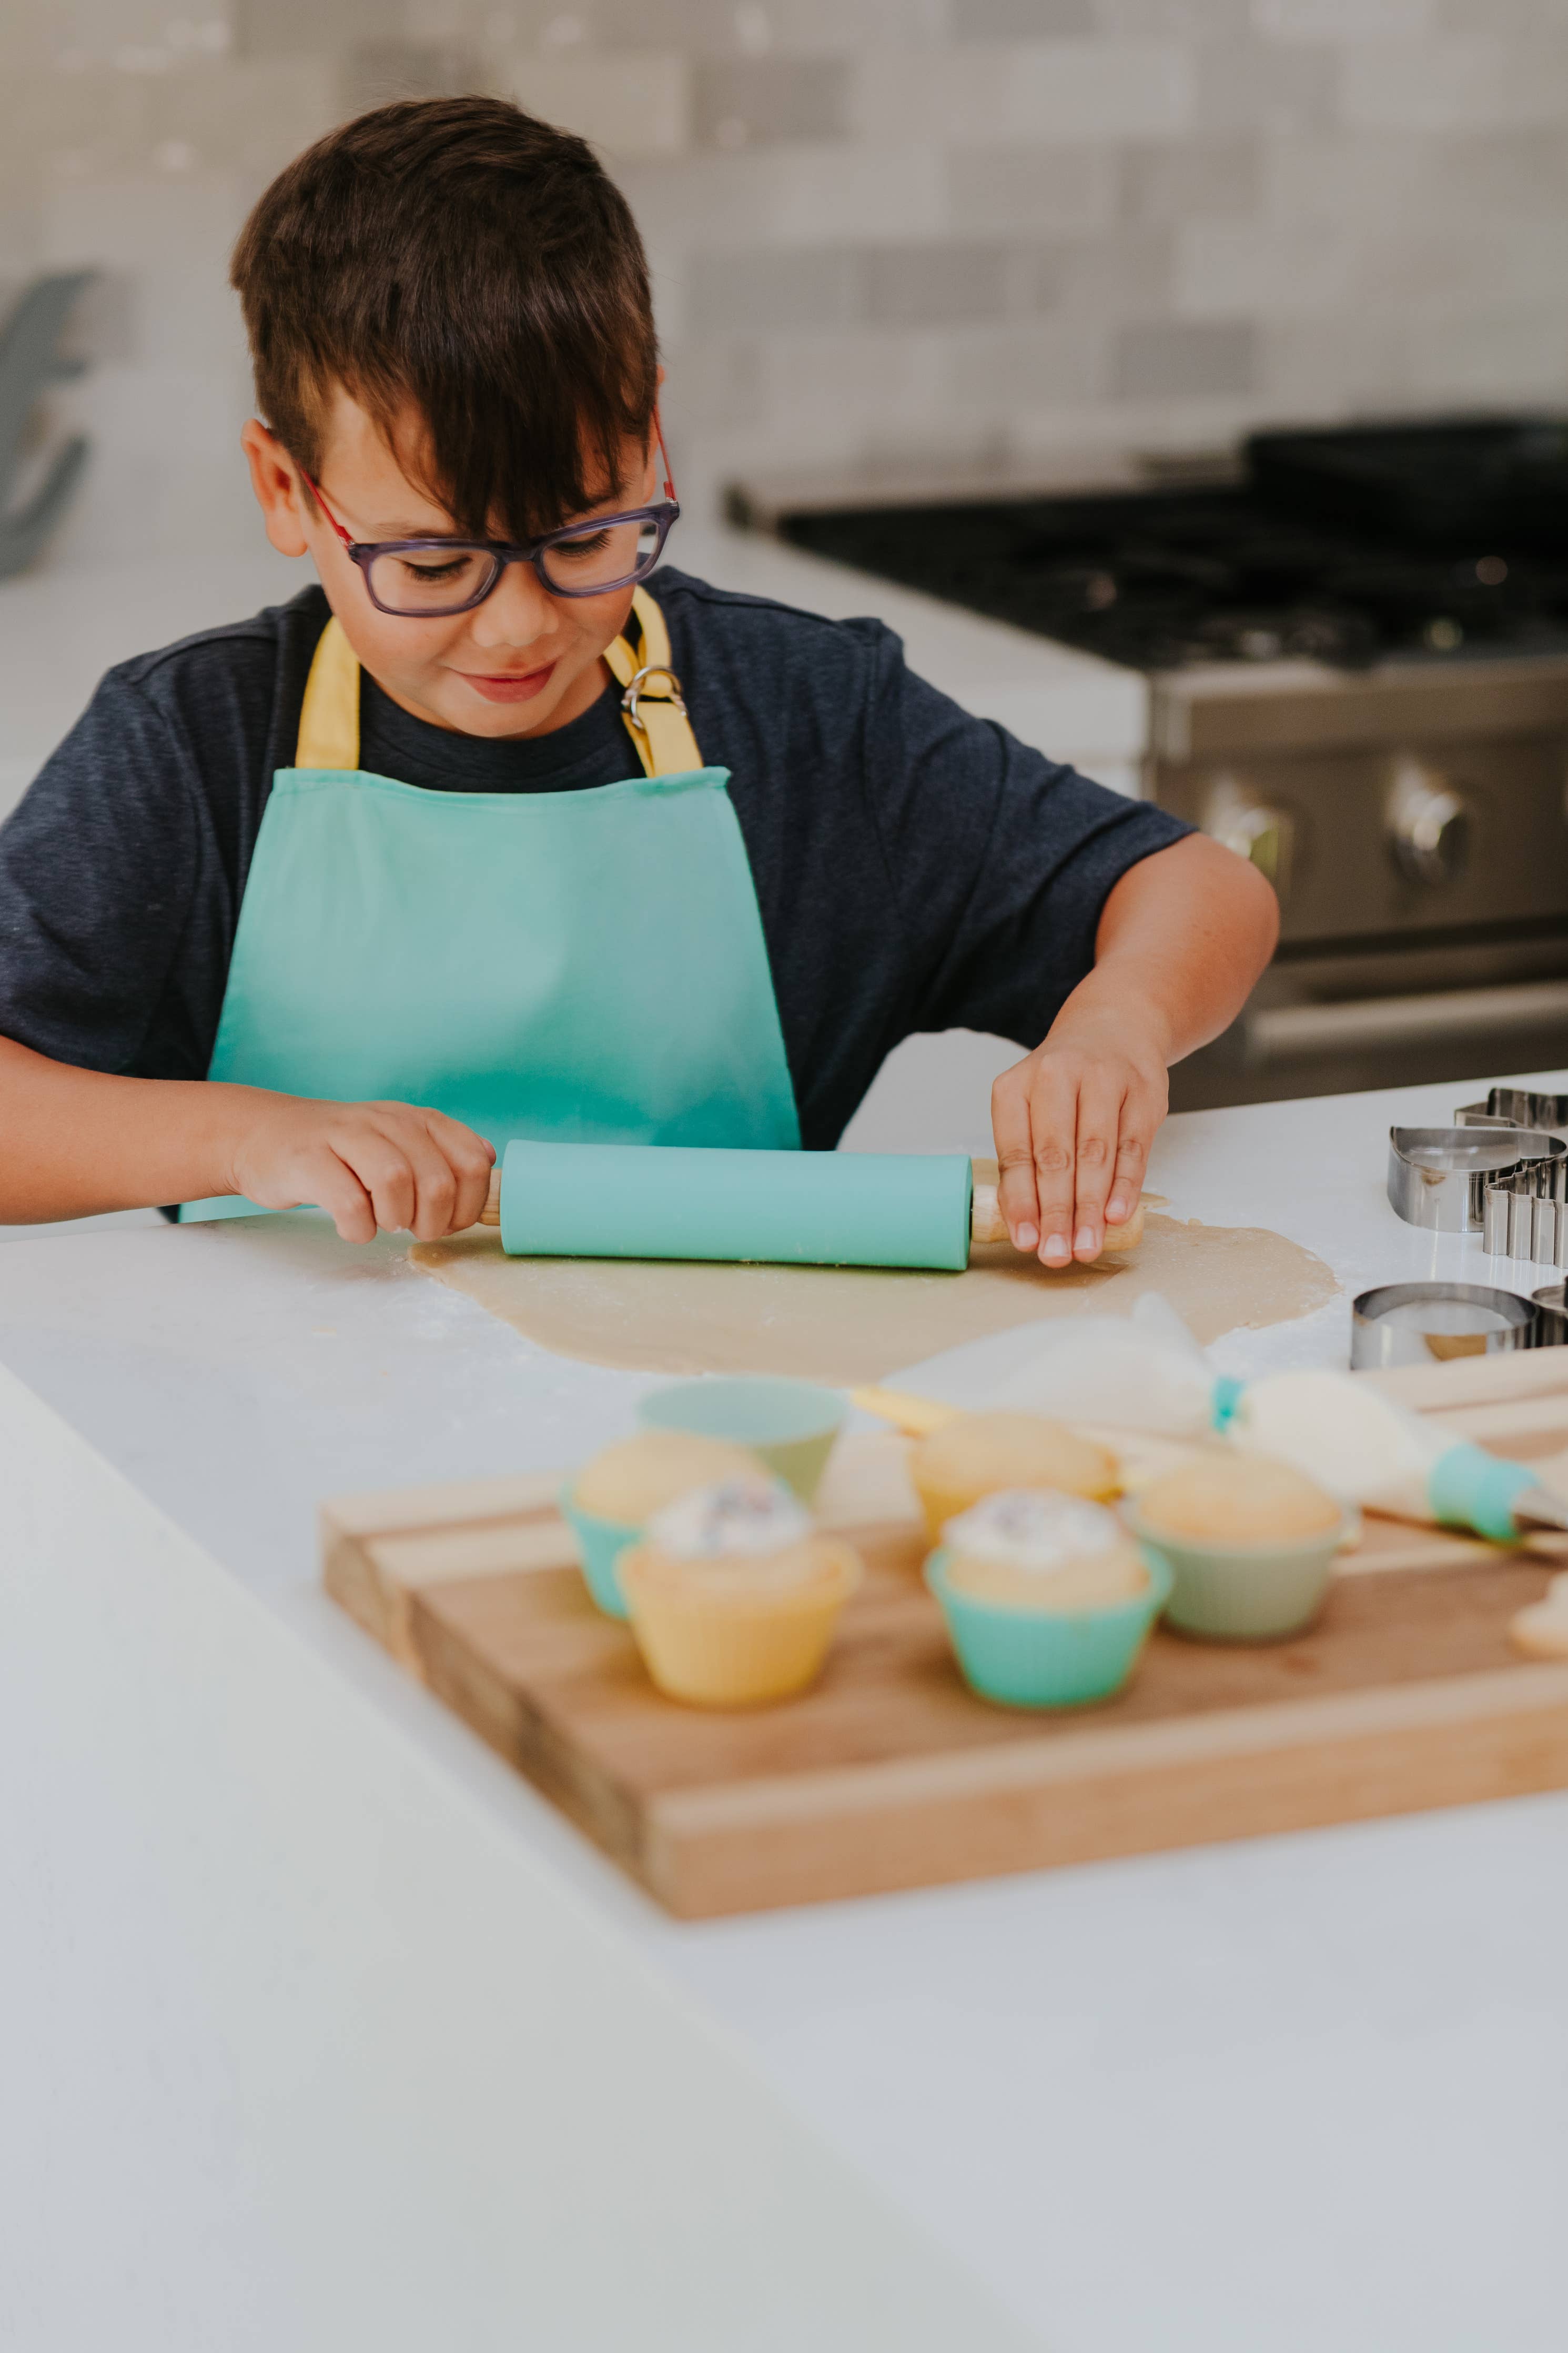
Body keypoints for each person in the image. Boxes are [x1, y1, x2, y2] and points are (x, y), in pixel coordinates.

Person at [0, 97, 1276, 1267]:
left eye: (582, 539)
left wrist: (1116, 1025)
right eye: (434, 562)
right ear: (287, 488)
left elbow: (1201, 886)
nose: (516, 627)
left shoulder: (811, 719)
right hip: (291, 1420)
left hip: (719, 1415)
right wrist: (242, 1137)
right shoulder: (189, 750)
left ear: (650, 433)